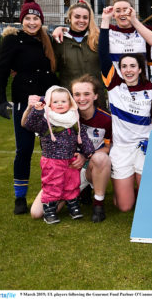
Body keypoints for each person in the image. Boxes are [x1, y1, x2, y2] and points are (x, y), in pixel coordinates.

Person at [0, 0, 59, 214]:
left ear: (41, 21)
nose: (32, 22)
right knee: (24, 149)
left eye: (35, 18)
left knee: (55, 148)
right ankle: (20, 198)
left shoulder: (47, 40)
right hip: (25, 103)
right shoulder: (13, 40)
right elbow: (0, 71)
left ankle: (57, 193)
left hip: (48, 101)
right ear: (22, 20)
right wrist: (0, 100)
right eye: (28, 18)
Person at [99, 6, 152, 212]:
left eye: (133, 66)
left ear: (140, 69)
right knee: (124, 207)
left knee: (148, 204)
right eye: (124, 66)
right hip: (122, 149)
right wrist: (105, 21)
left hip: (145, 147)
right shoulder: (114, 85)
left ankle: (140, 179)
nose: (128, 70)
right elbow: (103, 55)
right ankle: (127, 188)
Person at [29, 75, 113, 223]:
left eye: (86, 94)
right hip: (67, 168)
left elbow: (108, 147)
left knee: (101, 158)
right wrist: (31, 107)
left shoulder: (106, 119)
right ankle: (77, 195)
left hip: (92, 167)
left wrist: (84, 156)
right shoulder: (61, 115)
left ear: (95, 96)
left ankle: (98, 205)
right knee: (37, 213)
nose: (81, 99)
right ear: (71, 97)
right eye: (77, 94)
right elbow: (29, 123)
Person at [21, 86, 94, 224]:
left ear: (70, 103)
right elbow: (29, 125)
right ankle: (49, 211)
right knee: (52, 185)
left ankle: (74, 207)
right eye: (55, 102)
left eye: (63, 101)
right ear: (49, 104)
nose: (59, 104)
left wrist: (88, 151)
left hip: (70, 161)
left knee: (72, 184)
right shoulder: (45, 119)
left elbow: (82, 137)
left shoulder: (74, 119)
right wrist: (36, 111)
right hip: (52, 161)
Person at [51, 0, 105, 106]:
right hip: (69, 99)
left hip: (96, 100)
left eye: (85, 17)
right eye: (77, 16)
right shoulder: (59, 40)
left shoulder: (98, 39)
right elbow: (53, 68)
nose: (81, 20)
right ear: (69, 18)